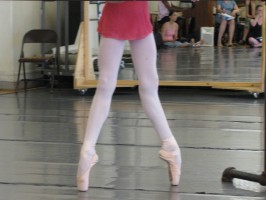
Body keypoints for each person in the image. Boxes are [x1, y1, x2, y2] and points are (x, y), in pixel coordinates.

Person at [76, 1, 194, 192]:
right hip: (132, 17)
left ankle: (88, 150)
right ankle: (170, 145)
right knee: (142, 87)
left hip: (127, 18)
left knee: (110, 86)